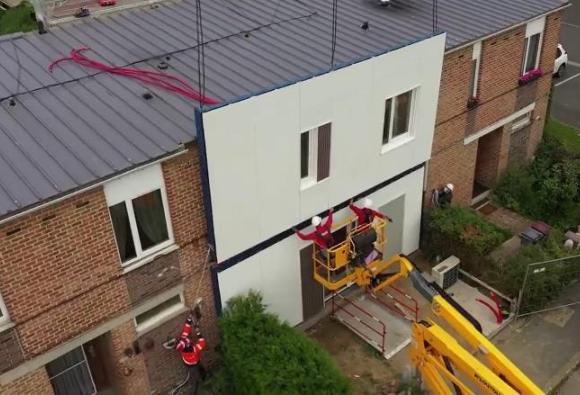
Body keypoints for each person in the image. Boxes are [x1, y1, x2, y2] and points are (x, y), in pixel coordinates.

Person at [175, 315, 207, 382]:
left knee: (194, 370)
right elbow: (202, 342)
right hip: (195, 362)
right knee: (198, 370)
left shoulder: (182, 347)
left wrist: (189, 319)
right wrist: (198, 332)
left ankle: (199, 377)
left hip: (187, 362)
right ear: (188, 346)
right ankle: (202, 378)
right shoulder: (195, 349)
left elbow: (186, 330)